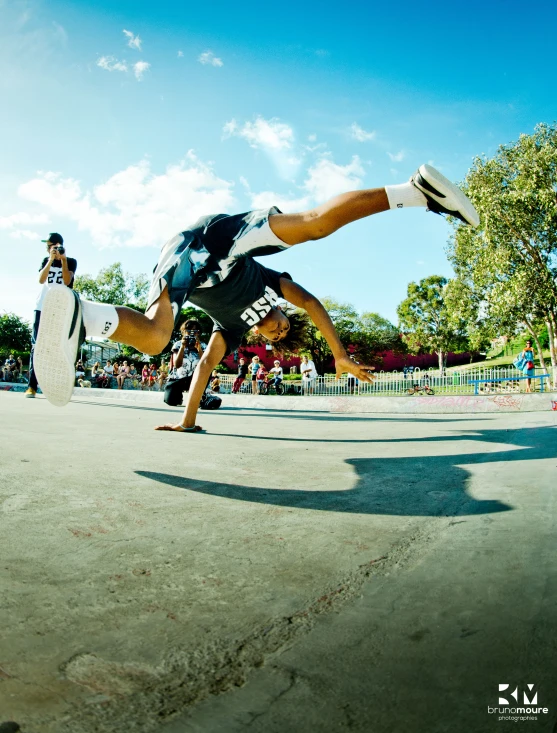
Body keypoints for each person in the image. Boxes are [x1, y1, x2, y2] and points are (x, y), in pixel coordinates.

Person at [33, 164, 479, 426]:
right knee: (312, 225)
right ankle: (414, 192)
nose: (276, 318)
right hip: (221, 240)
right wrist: (338, 353)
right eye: (282, 318)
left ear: (266, 340)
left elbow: (205, 367)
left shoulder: (231, 331)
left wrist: (188, 422)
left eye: (277, 328)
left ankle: (81, 314)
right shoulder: (271, 283)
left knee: (153, 338)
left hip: (182, 265)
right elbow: (311, 303)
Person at [25, 233, 77, 398]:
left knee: (58, 346)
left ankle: (57, 385)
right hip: (42, 307)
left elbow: (67, 281)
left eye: (51, 245)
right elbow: (41, 280)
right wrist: (50, 259)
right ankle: (32, 386)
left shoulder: (70, 261)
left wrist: (63, 259)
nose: (48, 248)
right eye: (48, 247)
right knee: (36, 346)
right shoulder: (44, 260)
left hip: (60, 308)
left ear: (58, 244)